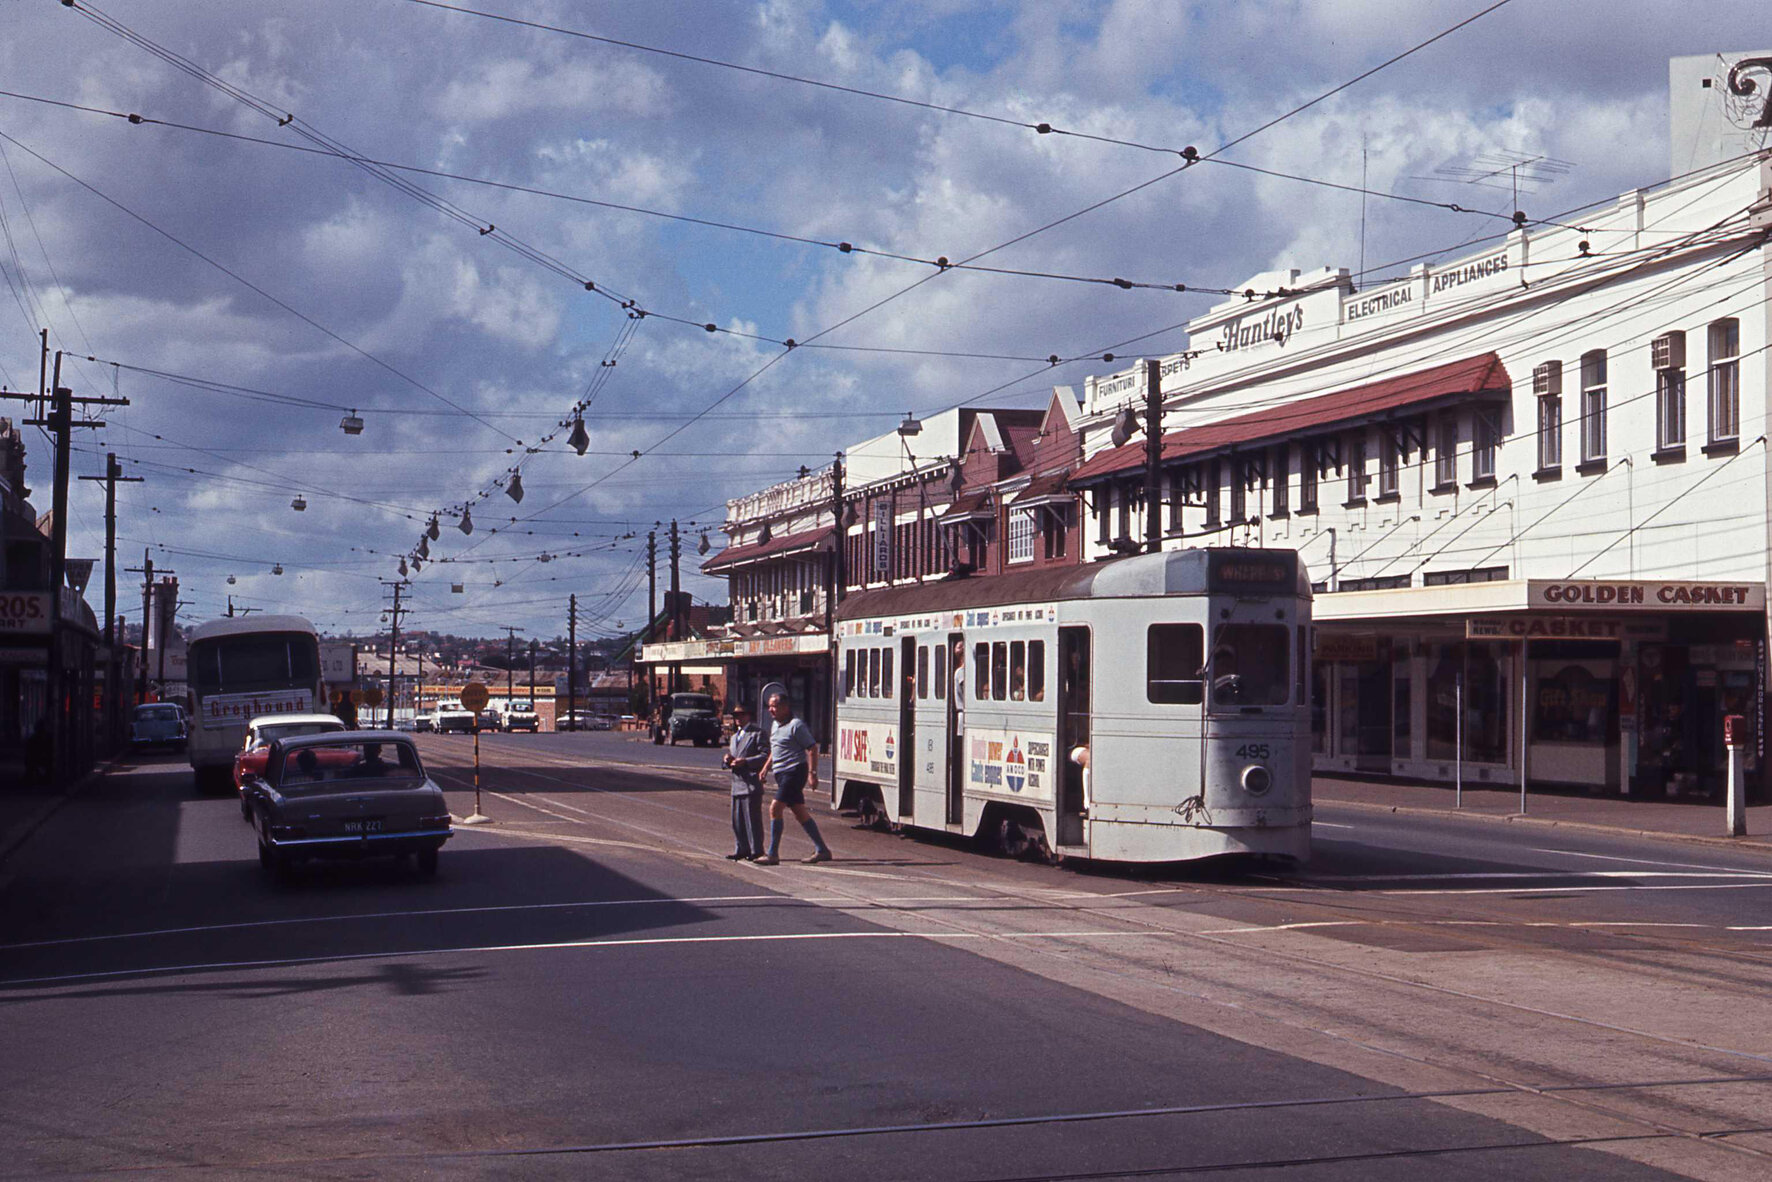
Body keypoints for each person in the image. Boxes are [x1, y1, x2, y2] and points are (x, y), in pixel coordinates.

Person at [754, 691, 832, 864]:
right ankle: (822, 849)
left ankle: (772, 854)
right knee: (800, 812)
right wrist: (766, 768)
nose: (771, 710)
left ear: (785, 707)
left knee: (775, 808)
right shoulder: (775, 725)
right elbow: (776, 749)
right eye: (769, 706)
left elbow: (812, 748)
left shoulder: (796, 725)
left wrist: (813, 774)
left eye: (774, 706)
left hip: (794, 771)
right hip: (781, 773)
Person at [721, 703, 767, 860]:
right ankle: (741, 848)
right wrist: (727, 760)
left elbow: (765, 756)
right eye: (735, 716)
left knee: (752, 819)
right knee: (737, 820)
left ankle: (756, 850)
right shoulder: (734, 737)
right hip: (737, 783)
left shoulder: (757, 734)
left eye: (741, 715)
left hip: (751, 783)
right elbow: (732, 755)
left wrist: (746, 761)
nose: (738, 719)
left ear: (748, 716)